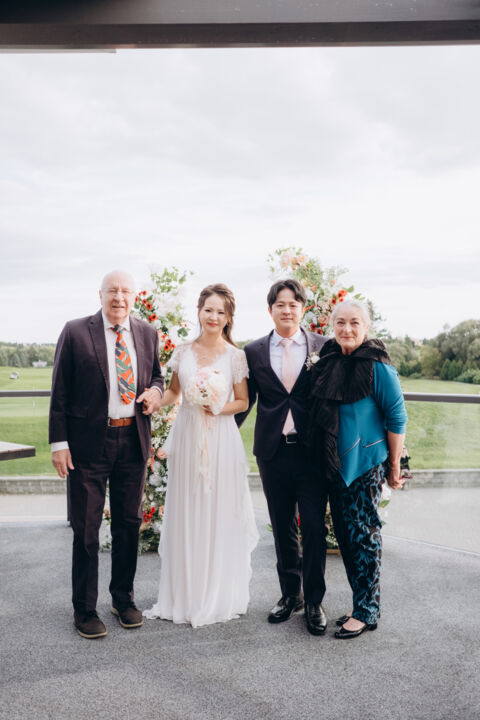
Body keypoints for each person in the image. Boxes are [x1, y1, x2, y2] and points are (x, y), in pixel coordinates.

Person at [49, 270, 164, 639]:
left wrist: (155, 393)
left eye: (125, 291)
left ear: (134, 296)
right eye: (112, 290)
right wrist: (59, 443)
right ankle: (84, 609)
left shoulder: (146, 332)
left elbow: (157, 377)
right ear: (99, 295)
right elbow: (59, 391)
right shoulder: (75, 331)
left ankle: (123, 599)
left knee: (128, 524)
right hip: (87, 446)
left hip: (132, 440)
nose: (119, 297)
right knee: (86, 528)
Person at [143, 283, 259, 628]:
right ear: (199, 311)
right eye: (208, 309)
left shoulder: (235, 356)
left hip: (221, 439)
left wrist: (218, 406)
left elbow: (243, 401)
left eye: (221, 312)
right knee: (188, 506)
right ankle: (185, 595)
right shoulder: (183, 352)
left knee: (217, 509)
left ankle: (216, 594)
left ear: (229, 318)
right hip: (187, 435)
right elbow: (173, 393)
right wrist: (153, 401)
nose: (214, 316)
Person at [307, 298, 407, 639]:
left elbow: (397, 417)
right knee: (348, 538)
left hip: (364, 464)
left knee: (364, 537)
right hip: (334, 464)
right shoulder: (329, 359)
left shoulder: (378, 367)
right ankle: (362, 605)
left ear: (366, 327)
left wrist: (394, 466)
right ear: (332, 327)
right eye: (341, 323)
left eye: (354, 323)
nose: (347, 329)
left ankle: (367, 611)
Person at [236, 279, 329, 636]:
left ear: (303, 309)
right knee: (282, 526)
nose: (287, 310)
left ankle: (315, 600)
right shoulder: (254, 351)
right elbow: (246, 400)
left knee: (314, 528)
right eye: (280, 304)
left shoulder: (324, 346)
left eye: (293, 304)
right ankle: (291, 595)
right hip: (272, 452)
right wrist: (218, 433)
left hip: (312, 452)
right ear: (270, 309)